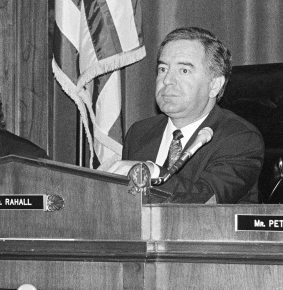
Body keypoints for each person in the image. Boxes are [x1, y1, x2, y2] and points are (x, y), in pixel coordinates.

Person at [103, 27, 264, 203]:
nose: (167, 80)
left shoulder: (239, 138)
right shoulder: (139, 133)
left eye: (184, 71)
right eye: (163, 69)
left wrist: (153, 172)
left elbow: (206, 199)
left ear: (214, 85)